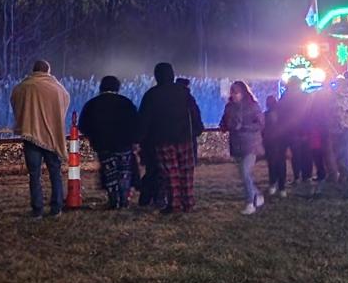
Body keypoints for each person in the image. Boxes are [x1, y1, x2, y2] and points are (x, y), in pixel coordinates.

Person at [139, 62, 204, 214]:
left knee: (171, 173)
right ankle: (188, 202)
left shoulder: (151, 95)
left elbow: (144, 119)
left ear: (156, 76)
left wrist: (140, 138)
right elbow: (194, 111)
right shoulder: (183, 92)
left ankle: (174, 204)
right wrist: (196, 129)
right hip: (184, 137)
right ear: (172, 75)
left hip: (163, 140)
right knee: (186, 172)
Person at [11, 60, 70, 218]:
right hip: (51, 136)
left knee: (34, 174)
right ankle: (56, 208)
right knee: (55, 172)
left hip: (31, 135)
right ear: (48, 71)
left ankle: (37, 209)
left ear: (34, 70)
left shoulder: (24, 86)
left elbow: (14, 100)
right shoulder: (57, 88)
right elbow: (65, 101)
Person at [78, 75, 140, 210]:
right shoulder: (126, 103)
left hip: (103, 145)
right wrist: (134, 140)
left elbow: (82, 125)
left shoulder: (92, 104)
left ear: (101, 87)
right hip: (124, 144)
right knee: (124, 172)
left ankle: (114, 201)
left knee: (110, 173)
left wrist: (93, 137)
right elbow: (136, 123)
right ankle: (124, 200)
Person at [219, 81, 266, 215]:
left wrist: (244, 127)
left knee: (245, 173)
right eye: (232, 92)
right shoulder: (229, 107)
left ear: (243, 93)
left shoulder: (253, 106)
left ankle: (250, 202)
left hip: (251, 144)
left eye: (236, 92)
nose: (233, 95)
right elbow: (223, 122)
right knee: (243, 175)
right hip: (237, 144)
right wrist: (225, 125)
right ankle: (257, 195)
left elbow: (261, 124)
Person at [273, 76, 310, 196]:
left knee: (294, 154)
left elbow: (279, 112)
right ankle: (304, 176)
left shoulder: (285, 97)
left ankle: (297, 177)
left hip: (287, 130)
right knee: (302, 153)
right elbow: (307, 113)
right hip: (300, 129)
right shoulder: (305, 96)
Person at [262, 93, 286, 194]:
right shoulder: (282, 116)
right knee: (281, 164)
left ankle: (273, 184)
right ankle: (282, 187)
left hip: (269, 142)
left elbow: (262, 130)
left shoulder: (265, 115)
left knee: (272, 164)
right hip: (280, 141)